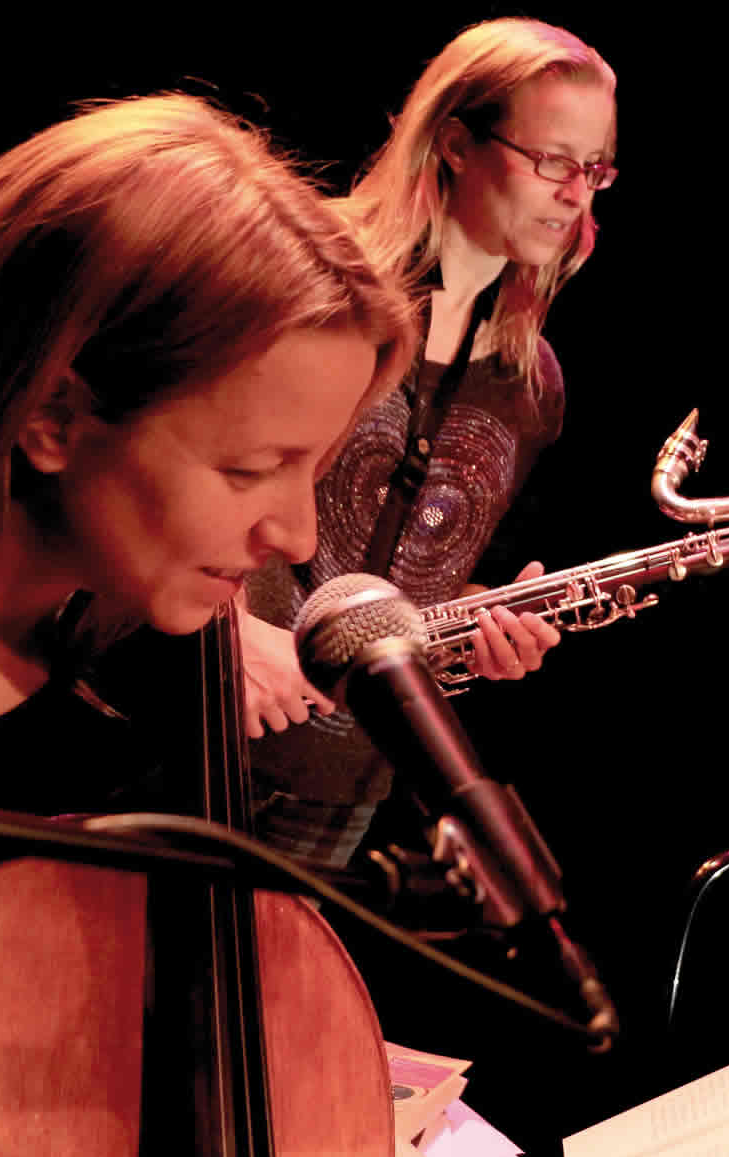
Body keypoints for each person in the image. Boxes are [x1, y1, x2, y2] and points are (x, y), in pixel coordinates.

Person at [0, 94, 635, 1157]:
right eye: (252, 465)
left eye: (315, 465)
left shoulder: (158, 660)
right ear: (53, 413)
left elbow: (124, 1050)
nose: (295, 531)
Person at [240, 17, 618, 869]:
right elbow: (172, 464)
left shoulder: (535, 384)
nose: (577, 194)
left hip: (338, 777)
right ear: (454, 140)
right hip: (188, 709)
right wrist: (226, 632)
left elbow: (448, 573)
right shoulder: (306, 273)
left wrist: (494, 626)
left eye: (595, 169)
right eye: (553, 160)